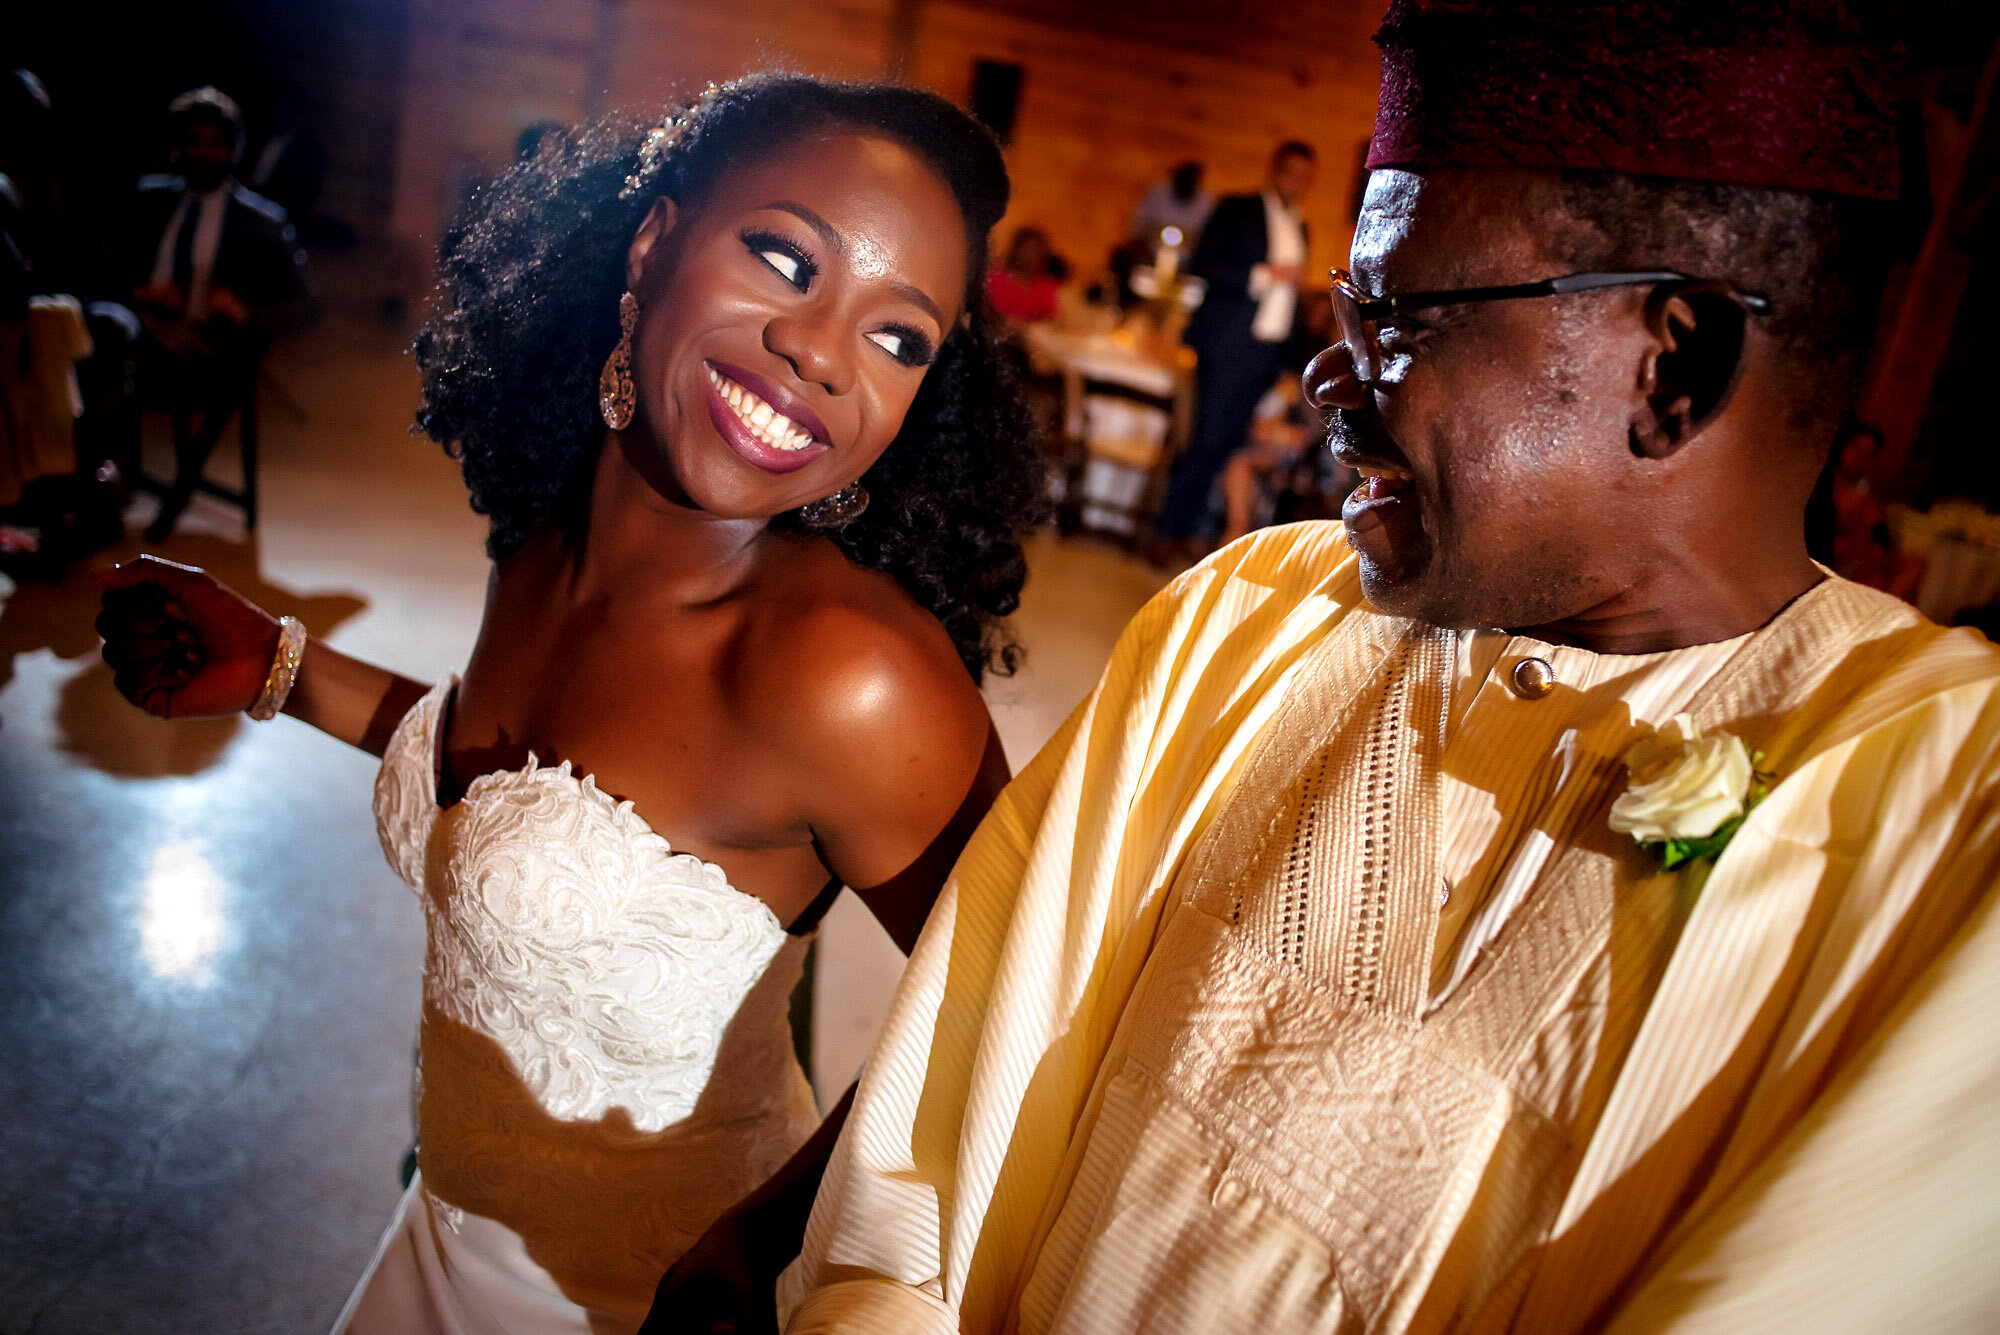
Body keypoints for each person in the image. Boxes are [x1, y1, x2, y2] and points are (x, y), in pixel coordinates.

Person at [777, 4, 2000, 1332]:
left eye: (1395, 315)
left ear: (1673, 364)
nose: (1326, 376)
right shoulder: (1242, 621)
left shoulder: (1948, 843)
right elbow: (927, 1152)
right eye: (1342, 307)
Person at [94, 72, 1047, 1334]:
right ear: (651, 243)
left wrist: (761, 1242)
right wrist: (281, 669)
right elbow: (537, 789)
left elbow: (1016, 1013)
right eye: (782, 257)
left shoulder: (847, 677)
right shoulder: (542, 536)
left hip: (636, 1303)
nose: (821, 352)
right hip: (429, 1243)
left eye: (897, 336)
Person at [117, 86, 311, 540]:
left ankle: (179, 493)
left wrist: (243, 310)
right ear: (177, 146)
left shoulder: (262, 222)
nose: (203, 154)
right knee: (101, 338)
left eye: (215, 143)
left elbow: (303, 308)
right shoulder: (150, 200)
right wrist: (141, 292)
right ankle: (108, 480)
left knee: (239, 360)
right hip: (142, 339)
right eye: (193, 141)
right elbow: (107, 265)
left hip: (213, 353)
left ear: (232, 150)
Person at [1151, 140, 1315, 560]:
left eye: (1304, 177)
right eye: (1291, 173)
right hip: (1228, 344)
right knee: (1204, 438)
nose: (1296, 183)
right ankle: (1169, 529)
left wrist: (1286, 358)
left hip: (1266, 353)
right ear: (1275, 171)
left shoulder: (1301, 228)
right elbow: (1204, 264)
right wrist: (1263, 274)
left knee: (1230, 445)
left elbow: (1291, 302)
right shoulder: (1238, 210)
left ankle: (1196, 531)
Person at [1128, 161, 1215, 253]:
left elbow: (1205, 236)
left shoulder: (1206, 202)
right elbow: (1139, 221)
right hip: (1150, 249)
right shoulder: (1158, 192)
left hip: (1186, 256)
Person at [985, 225, 1061, 325]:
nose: (1032, 256)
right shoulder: (995, 280)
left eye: (1036, 251)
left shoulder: (1047, 286)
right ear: (1016, 251)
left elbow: (1052, 323)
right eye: (1028, 250)